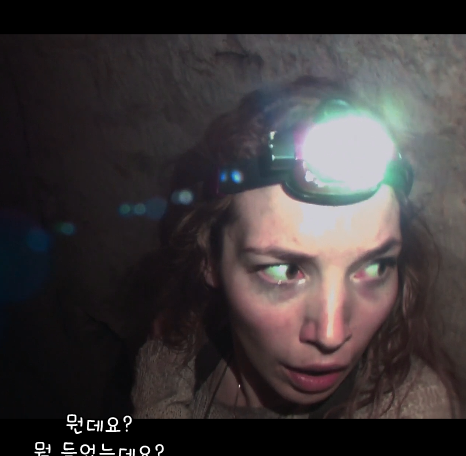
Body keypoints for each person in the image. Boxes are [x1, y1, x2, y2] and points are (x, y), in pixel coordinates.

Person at [130, 76, 461, 419]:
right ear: (209, 260)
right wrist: (171, 343)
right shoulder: (180, 349)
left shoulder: (416, 407)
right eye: (285, 271)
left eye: (375, 266)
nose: (331, 336)